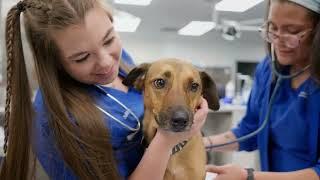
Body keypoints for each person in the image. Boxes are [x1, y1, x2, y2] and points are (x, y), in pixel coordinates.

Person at [0, 0, 209, 179]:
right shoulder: (54, 123)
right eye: (82, 57)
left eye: (109, 39)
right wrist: (166, 140)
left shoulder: (121, 64)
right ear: (54, 63)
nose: (106, 62)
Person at [205, 0, 320, 179]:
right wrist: (201, 143)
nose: (278, 40)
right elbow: (249, 130)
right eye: (272, 28)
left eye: (292, 31)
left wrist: (248, 177)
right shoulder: (267, 70)